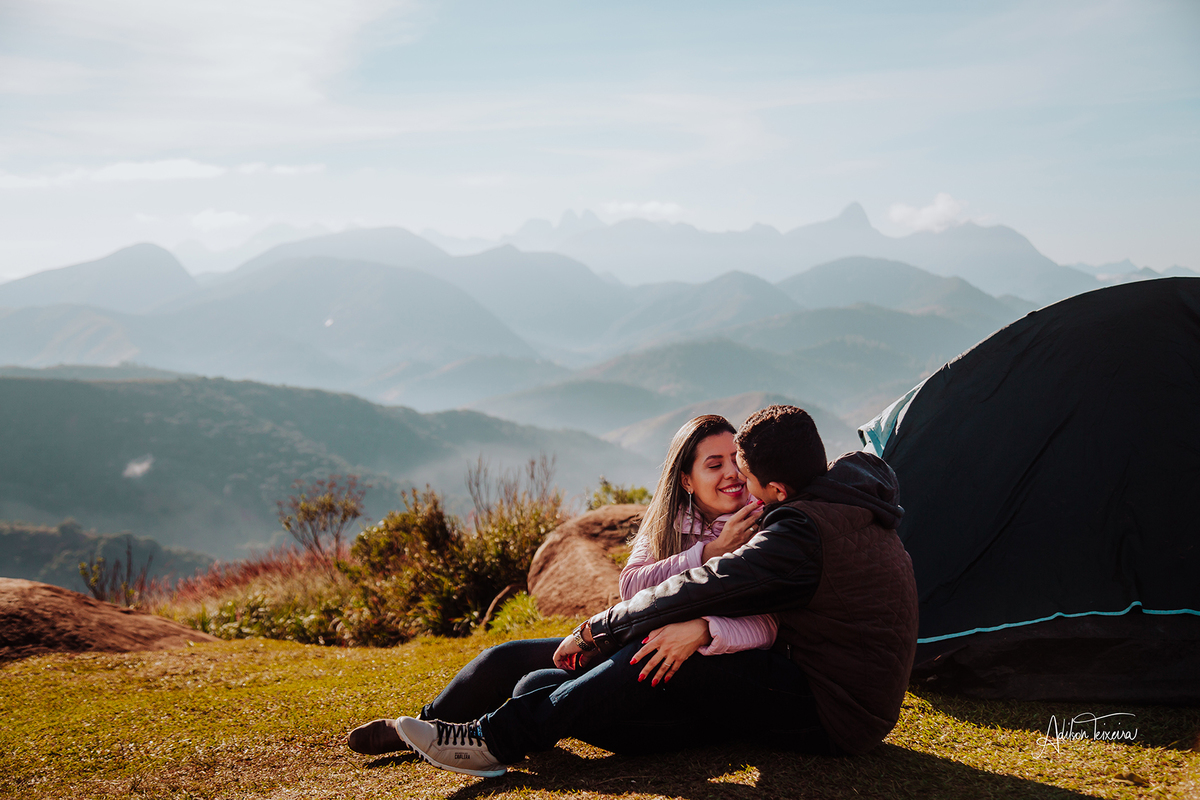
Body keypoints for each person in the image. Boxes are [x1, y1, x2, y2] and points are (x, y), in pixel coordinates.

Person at [395, 405, 919, 779]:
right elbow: (681, 585)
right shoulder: (837, 505)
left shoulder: (797, 534)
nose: (740, 483)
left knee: (663, 649)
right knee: (537, 671)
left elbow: (702, 589)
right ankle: (456, 727)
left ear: (777, 488)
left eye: (747, 474)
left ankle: (497, 739)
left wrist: (604, 627)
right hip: (841, 694)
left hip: (837, 714)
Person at [346, 414, 767, 759]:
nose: (732, 473)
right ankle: (421, 730)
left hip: (686, 680)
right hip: (631, 651)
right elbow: (633, 587)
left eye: (737, 460)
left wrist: (703, 629)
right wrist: (708, 552)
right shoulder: (668, 525)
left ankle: (482, 738)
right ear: (687, 481)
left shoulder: (763, 525)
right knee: (503, 659)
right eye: (715, 464)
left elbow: (770, 620)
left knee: (534, 687)